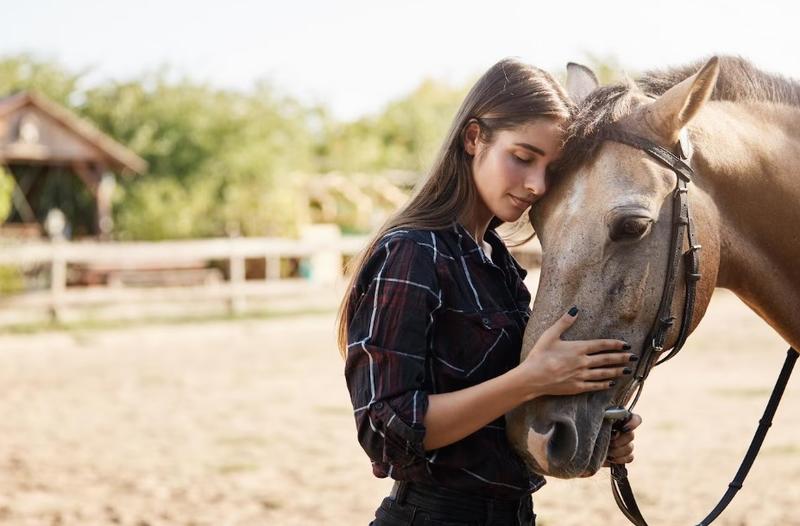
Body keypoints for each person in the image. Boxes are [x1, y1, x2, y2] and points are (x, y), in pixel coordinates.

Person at [337, 58, 642, 526]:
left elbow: (495, 426)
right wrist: (531, 379)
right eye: (523, 157)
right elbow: (386, 429)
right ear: (474, 138)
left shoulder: (497, 262)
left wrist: (590, 434)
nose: (537, 185)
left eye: (550, 169)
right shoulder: (412, 252)